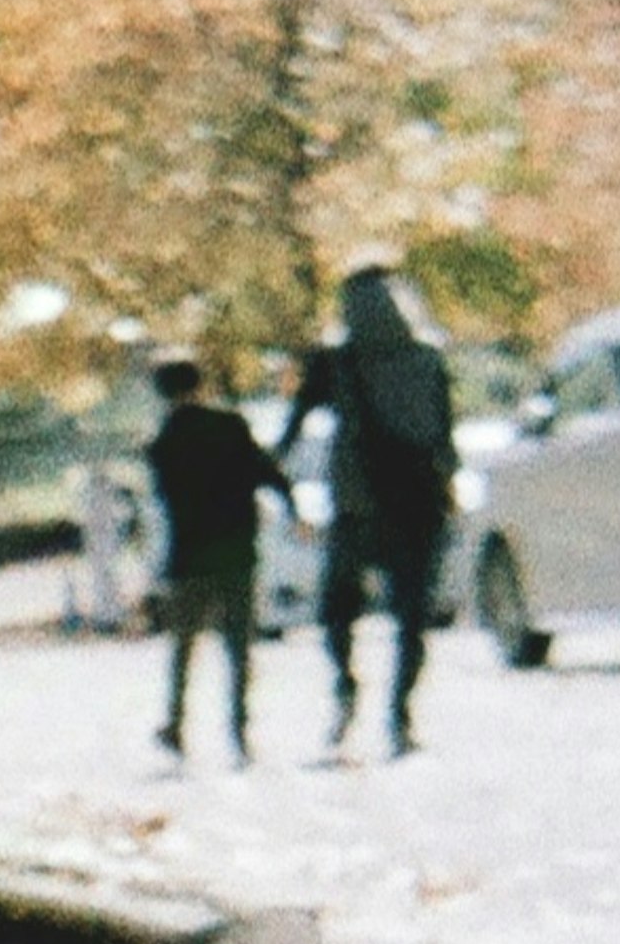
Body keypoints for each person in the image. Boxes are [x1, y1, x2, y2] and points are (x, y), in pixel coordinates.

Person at [288, 265, 460, 753]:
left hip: (357, 505)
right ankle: (400, 715)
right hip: (418, 505)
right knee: (412, 616)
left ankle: (346, 685)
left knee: (336, 609)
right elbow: (445, 436)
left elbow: (295, 424)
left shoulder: (336, 364)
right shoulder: (429, 360)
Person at [143, 349, 273, 759]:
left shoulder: (163, 443)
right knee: (239, 648)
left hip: (190, 557)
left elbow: (165, 499)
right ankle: (239, 731)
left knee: (184, 649)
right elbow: (264, 470)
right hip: (237, 550)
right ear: (201, 385)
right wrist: (292, 507)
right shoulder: (231, 426)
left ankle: (176, 725)